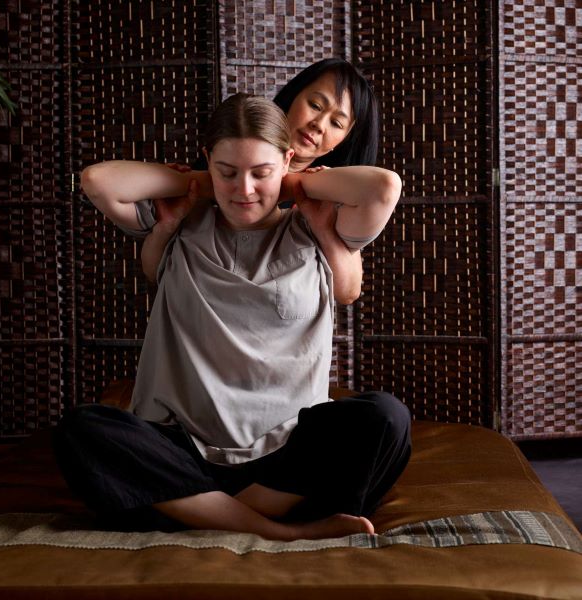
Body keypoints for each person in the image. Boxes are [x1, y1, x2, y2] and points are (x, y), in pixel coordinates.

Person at [54, 93, 410, 541]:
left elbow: (383, 187)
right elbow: (96, 180)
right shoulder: (179, 224)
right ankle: (276, 531)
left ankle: (203, 514)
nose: (244, 190)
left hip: (284, 462)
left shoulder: (316, 229)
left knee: (385, 417)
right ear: (207, 163)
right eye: (227, 172)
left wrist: (290, 185)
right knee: (83, 429)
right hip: (182, 449)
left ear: (288, 161)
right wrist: (199, 186)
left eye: (261, 172)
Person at [141, 58, 379, 305]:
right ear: (294, 96)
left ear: (344, 139)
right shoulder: (227, 158)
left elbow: (347, 292)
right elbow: (156, 271)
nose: (318, 125)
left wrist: (324, 227)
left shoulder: (329, 200)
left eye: (337, 123)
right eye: (315, 105)